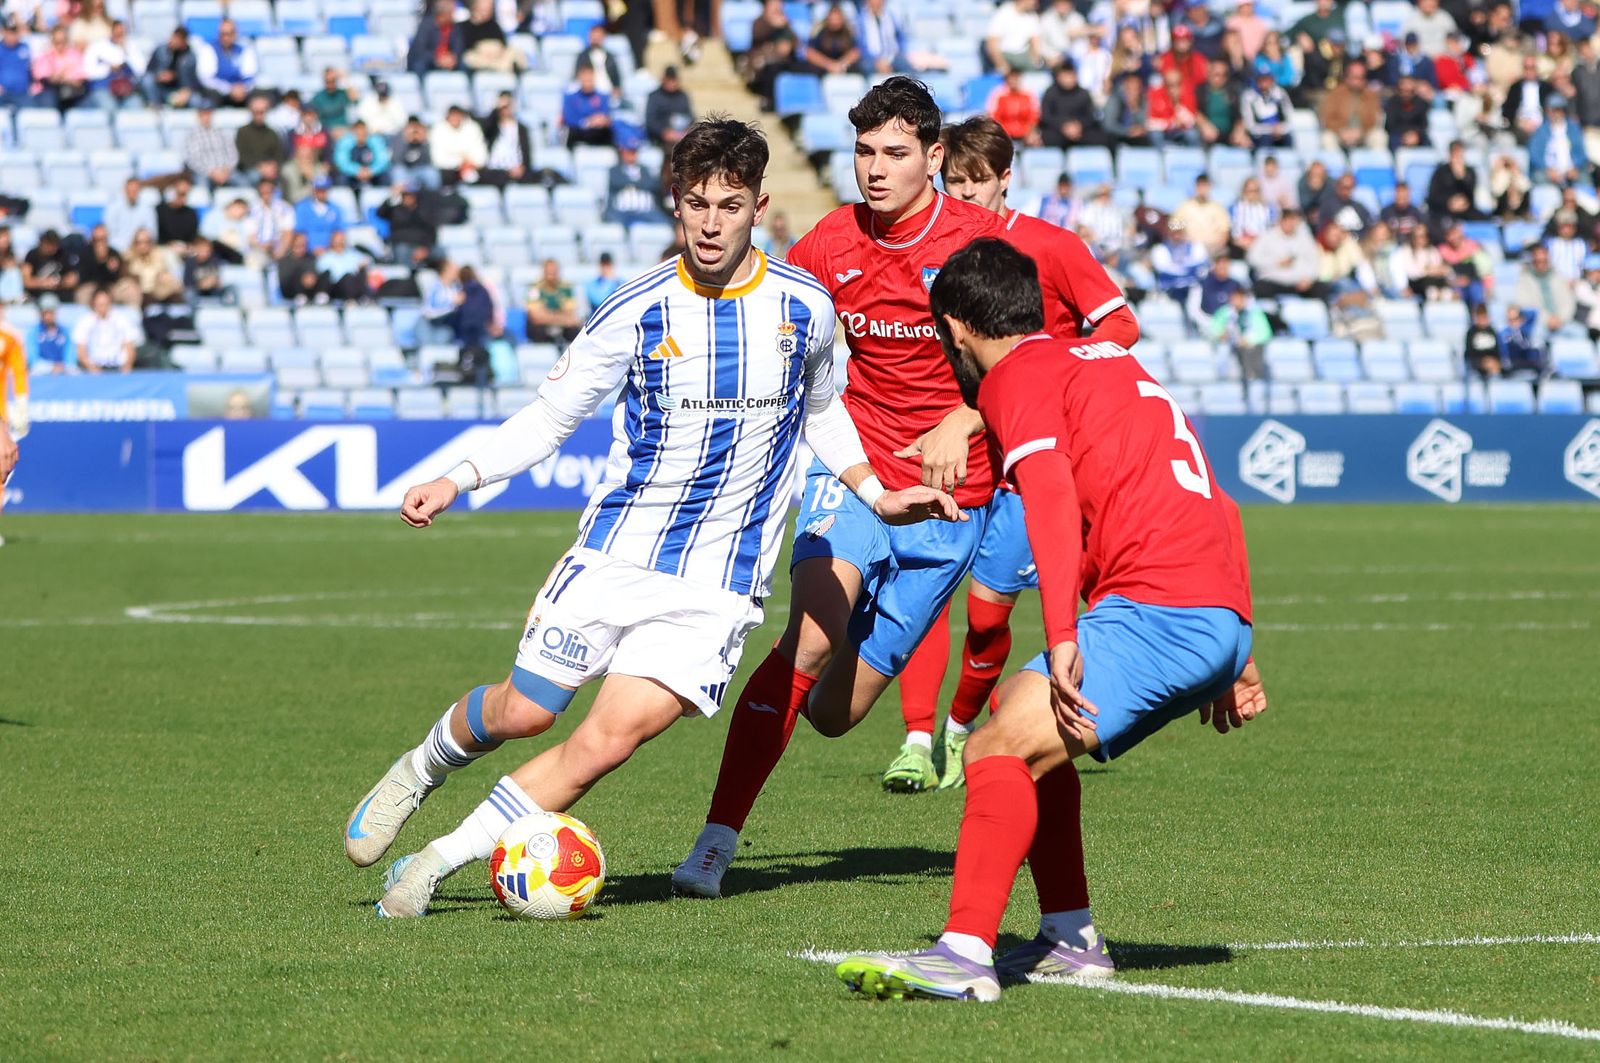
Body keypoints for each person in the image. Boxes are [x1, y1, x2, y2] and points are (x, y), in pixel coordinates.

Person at [344, 118, 959, 918]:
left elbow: (825, 412)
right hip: (617, 556)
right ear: (675, 204)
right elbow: (550, 415)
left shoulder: (805, 307)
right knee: (523, 711)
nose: (710, 223)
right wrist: (459, 476)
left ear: (759, 207)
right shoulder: (635, 308)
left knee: (606, 742)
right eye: (696, 203)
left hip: (718, 586)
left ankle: (434, 863)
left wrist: (875, 492)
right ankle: (422, 767)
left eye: (729, 205)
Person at [671, 79, 1135, 892]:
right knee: (809, 637)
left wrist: (969, 418)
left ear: (933, 157)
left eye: (894, 153)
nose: (875, 170)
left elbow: (1038, 364)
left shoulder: (981, 247)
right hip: (853, 474)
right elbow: (767, 305)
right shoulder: (830, 241)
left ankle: (870, 694)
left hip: (954, 502)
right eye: (862, 152)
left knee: (835, 712)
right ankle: (715, 839)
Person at [835, 236, 1260, 1002]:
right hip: (1204, 603)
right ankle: (1070, 932)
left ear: (957, 329)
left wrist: (1062, 634)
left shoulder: (1014, 378)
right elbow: (1213, 494)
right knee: (1021, 721)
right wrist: (1241, 643)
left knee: (993, 748)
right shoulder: (1107, 360)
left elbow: (1052, 503)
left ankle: (964, 955)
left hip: (1162, 608)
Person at [894, 115, 1138, 791]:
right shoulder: (930, 242)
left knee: (985, 616)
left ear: (1007, 179)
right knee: (925, 584)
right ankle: (916, 740)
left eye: (980, 182)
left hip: (1021, 453)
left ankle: (959, 726)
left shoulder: (1048, 246)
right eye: (955, 182)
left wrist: (1043, 370)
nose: (967, 196)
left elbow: (1122, 323)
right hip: (945, 436)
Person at [1247, 206, 1326, 299]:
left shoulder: (1305, 238)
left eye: (1293, 220)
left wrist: (1309, 278)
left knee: (1321, 287)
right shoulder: (1267, 237)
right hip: (1274, 280)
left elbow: (1314, 260)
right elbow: (1252, 258)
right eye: (1287, 220)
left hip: (1299, 282)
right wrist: (1276, 262)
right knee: (1260, 288)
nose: (1290, 224)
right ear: (1281, 221)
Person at [1210, 278, 1272, 378]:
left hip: (1250, 349)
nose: (1236, 301)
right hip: (1229, 348)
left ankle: (1252, 378)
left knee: (1251, 352)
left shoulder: (1255, 313)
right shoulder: (1224, 313)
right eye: (1234, 297)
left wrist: (1248, 340)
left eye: (1239, 297)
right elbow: (1213, 329)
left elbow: (1265, 333)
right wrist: (1220, 334)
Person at [1038, 59, 1105, 148]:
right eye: (1065, 76)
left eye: (1071, 75)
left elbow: (1090, 116)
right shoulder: (1050, 93)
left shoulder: (1083, 93)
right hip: (1057, 131)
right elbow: (1046, 117)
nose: (1068, 79)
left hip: (1081, 131)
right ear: (1058, 77)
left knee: (1102, 138)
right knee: (1045, 139)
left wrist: (1079, 126)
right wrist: (1063, 126)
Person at [1320, 60, 1385, 150]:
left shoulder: (1371, 95)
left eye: (1360, 78)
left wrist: (1360, 132)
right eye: (1354, 77)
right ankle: (1335, 163)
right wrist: (1341, 131)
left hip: (1363, 133)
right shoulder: (1335, 94)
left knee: (1379, 137)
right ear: (1346, 77)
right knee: (1327, 138)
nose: (1357, 81)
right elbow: (1328, 118)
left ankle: (1375, 164)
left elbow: (1373, 118)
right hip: (1340, 132)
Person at [82, 18, 144, 112]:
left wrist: (126, 52)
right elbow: (88, 71)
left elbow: (141, 70)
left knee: (136, 106)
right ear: (111, 31)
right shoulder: (97, 46)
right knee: (110, 108)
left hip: (126, 91)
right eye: (117, 33)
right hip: (103, 89)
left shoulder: (132, 47)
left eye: (122, 33)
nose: (119, 36)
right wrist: (109, 68)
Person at [605, 137, 668, 227]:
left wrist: (631, 185)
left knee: (665, 223)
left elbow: (653, 184)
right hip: (622, 211)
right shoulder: (615, 169)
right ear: (622, 152)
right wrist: (639, 184)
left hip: (646, 211)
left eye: (634, 152)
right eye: (629, 152)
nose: (632, 155)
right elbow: (616, 182)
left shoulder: (644, 169)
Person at [74, 287, 138, 373]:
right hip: (94, 369)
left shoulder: (122, 319)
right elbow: (81, 352)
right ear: (93, 304)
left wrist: (126, 368)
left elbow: (130, 348)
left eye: (106, 304)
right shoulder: (85, 322)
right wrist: (93, 369)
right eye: (100, 305)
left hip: (117, 368)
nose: (103, 308)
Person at [478, 92, 534, 187]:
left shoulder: (521, 128)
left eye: (508, 105)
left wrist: (521, 168)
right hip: (494, 171)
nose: (506, 109)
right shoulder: (492, 126)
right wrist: (496, 108)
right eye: (503, 107)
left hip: (516, 169)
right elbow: (483, 127)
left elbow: (527, 153)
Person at [196, 19, 257, 107]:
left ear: (235, 34)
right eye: (223, 34)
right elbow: (206, 78)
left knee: (260, 98)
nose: (226, 38)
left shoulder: (244, 50)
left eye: (229, 34)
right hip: (220, 93)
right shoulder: (209, 49)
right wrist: (229, 89)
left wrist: (242, 88)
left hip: (242, 92)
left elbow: (250, 75)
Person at [1529, 96, 1588, 186]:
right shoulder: (1541, 130)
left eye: (1559, 110)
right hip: (1549, 171)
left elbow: (1581, 152)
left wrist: (1575, 168)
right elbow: (1535, 155)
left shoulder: (1573, 128)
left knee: (1585, 180)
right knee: (1539, 178)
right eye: (1553, 110)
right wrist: (1547, 170)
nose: (1556, 113)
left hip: (1571, 170)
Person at [377, 182, 438, 267]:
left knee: (440, 253)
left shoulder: (424, 210)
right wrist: (392, 197)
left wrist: (425, 248)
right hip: (401, 243)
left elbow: (432, 230)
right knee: (402, 252)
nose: (408, 198)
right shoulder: (395, 209)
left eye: (410, 195)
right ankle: (406, 277)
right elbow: (380, 213)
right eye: (405, 195)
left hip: (422, 245)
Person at [524, 258, 582, 344]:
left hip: (562, 327)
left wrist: (547, 315)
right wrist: (560, 317)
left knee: (574, 330)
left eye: (554, 271)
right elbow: (535, 316)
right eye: (549, 272)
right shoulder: (534, 288)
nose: (551, 274)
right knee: (537, 330)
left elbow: (571, 315)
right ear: (543, 272)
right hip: (543, 328)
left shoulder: (566, 288)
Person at [31, 23, 86, 110]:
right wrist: (64, 74)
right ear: (52, 41)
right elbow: (46, 80)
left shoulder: (75, 55)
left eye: (63, 42)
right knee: (50, 98)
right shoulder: (44, 56)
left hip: (71, 93)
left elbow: (79, 80)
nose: (60, 45)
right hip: (47, 92)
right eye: (57, 42)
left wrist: (60, 76)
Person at [182, 104, 237, 189]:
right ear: (198, 115)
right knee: (202, 185)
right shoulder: (192, 135)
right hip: (205, 174)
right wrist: (211, 172)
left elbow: (232, 153)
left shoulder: (221, 132)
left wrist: (227, 170)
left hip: (226, 171)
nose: (206, 117)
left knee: (242, 181)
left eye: (208, 114)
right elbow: (192, 160)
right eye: (203, 114)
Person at [430, 104, 490, 183]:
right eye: (453, 115)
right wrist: (460, 162)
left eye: (458, 115)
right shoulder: (438, 130)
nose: (455, 118)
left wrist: (471, 163)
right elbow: (438, 159)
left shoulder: (473, 128)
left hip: (472, 167)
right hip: (449, 171)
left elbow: (481, 152)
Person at [143, 25, 199, 108]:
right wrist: (159, 76)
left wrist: (176, 78)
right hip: (160, 89)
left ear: (184, 41)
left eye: (177, 39)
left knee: (195, 101)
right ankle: (154, 107)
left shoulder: (190, 57)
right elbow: (149, 70)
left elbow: (193, 81)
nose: (173, 41)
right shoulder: (160, 50)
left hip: (179, 91)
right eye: (173, 37)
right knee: (147, 80)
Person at [1240, 59, 1293, 146]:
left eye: (1267, 79)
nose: (1264, 83)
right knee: (1265, 140)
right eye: (1261, 79)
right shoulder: (1248, 96)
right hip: (1260, 135)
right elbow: (1250, 125)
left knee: (1288, 138)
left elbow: (1290, 116)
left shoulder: (1280, 94)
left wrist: (1281, 128)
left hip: (1280, 132)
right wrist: (1270, 130)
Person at [1195, 58, 1245, 147]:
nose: (1220, 78)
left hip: (1229, 137)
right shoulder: (1200, 91)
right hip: (1206, 137)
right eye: (1216, 74)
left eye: (1224, 75)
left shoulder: (1232, 92)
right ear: (1209, 73)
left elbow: (1239, 116)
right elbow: (1195, 112)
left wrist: (1239, 131)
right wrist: (1203, 124)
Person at [235, 94, 285, 184]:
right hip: (250, 169)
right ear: (251, 112)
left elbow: (279, 155)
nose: (259, 115)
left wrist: (273, 166)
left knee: (285, 174)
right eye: (256, 112)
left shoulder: (272, 133)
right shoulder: (243, 132)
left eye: (262, 112)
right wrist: (261, 167)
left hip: (270, 170)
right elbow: (243, 156)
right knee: (254, 175)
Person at [561, 65, 612, 147]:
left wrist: (602, 120)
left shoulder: (603, 97)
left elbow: (605, 115)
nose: (588, 83)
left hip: (597, 132)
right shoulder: (570, 98)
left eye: (590, 80)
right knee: (570, 131)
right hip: (578, 131)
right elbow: (569, 118)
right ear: (580, 79)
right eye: (585, 80)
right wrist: (588, 122)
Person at [408, 0, 464, 75]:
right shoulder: (426, 25)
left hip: (447, 60)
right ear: (443, 14)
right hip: (430, 60)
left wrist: (452, 57)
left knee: (463, 65)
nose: (453, 15)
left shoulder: (454, 27)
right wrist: (437, 59)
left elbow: (459, 46)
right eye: (451, 13)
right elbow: (419, 50)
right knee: (420, 65)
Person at [103, 177, 157, 253]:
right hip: (118, 251)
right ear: (124, 190)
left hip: (142, 250)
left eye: (135, 190)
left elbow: (152, 233)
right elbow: (109, 234)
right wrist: (125, 249)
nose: (132, 193)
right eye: (130, 190)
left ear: (139, 191)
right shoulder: (113, 208)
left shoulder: (147, 209)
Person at [645, 65, 694, 148]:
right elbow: (650, 121)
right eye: (669, 80)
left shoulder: (682, 96)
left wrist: (687, 130)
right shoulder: (655, 96)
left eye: (674, 80)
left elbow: (691, 117)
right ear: (664, 79)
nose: (672, 83)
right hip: (660, 140)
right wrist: (663, 132)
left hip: (681, 137)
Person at [294, 176, 346, 253]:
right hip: (307, 253)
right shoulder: (302, 207)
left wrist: (328, 249)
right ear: (313, 190)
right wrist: (311, 249)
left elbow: (339, 231)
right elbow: (299, 233)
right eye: (318, 190)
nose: (321, 192)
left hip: (330, 252)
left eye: (324, 190)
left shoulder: (335, 209)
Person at [333, 121, 392, 189]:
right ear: (353, 132)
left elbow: (383, 160)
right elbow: (341, 162)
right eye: (358, 131)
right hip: (353, 175)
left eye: (363, 131)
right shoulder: (345, 142)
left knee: (384, 176)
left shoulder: (375, 141)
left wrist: (371, 171)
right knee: (341, 177)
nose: (361, 133)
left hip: (372, 174)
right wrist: (356, 171)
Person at [987, 68, 1040, 143]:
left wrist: (1030, 132)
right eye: (1011, 78)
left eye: (1016, 78)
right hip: (1004, 132)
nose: (1013, 81)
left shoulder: (1029, 95)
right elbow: (994, 116)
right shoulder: (999, 95)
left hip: (1024, 133)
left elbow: (1034, 116)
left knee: (1036, 140)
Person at [806, 4, 861, 76]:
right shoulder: (820, 32)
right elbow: (810, 53)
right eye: (832, 19)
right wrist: (829, 65)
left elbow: (855, 52)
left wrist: (841, 65)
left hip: (844, 67)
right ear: (827, 19)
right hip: (823, 69)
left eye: (837, 19)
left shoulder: (848, 32)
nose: (835, 22)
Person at [29, 294, 70, 373]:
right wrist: (51, 367)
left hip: (63, 371)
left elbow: (70, 357)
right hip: (41, 371)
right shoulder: (33, 332)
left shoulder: (64, 332)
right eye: (45, 313)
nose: (48, 316)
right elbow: (33, 360)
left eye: (51, 313)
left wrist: (63, 366)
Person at [156, 179, 200, 248]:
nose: (183, 198)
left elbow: (192, 237)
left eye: (186, 194)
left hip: (185, 249)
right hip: (164, 248)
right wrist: (170, 244)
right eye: (180, 194)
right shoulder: (159, 211)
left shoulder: (191, 213)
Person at [309, 66, 355, 133]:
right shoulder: (318, 97)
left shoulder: (342, 94)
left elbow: (355, 99)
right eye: (327, 81)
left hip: (343, 129)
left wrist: (345, 78)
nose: (330, 84)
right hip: (325, 131)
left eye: (333, 81)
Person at [583, 252, 622, 317]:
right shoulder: (591, 285)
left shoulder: (620, 281)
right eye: (603, 265)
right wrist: (609, 280)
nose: (606, 268)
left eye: (608, 264)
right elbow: (600, 302)